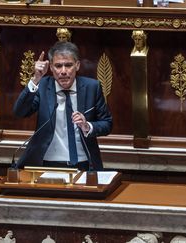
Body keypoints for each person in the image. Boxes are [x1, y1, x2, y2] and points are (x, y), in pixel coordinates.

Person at [13, 41, 112, 171]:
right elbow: (20, 112)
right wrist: (35, 79)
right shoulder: (42, 86)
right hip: (46, 163)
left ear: (77, 65)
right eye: (58, 66)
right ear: (52, 68)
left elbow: (107, 123)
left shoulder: (92, 87)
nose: (63, 71)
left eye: (68, 65)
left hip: (84, 164)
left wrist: (87, 126)